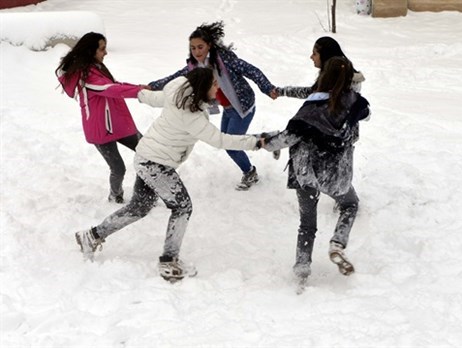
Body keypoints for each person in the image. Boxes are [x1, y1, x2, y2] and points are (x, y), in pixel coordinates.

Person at [74, 67, 264, 282]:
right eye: (214, 83)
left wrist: (141, 93)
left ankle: (91, 236)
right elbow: (220, 140)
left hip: (146, 156)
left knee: (139, 207)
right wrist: (256, 142)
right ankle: (168, 261)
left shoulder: (179, 89)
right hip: (156, 164)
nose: (217, 86)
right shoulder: (192, 116)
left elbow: (154, 97)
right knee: (182, 207)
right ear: (202, 87)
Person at [261, 57, 370, 282]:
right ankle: (337, 244)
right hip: (335, 173)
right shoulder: (355, 103)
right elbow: (367, 113)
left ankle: (302, 268)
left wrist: (266, 142)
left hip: (306, 172)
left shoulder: (311, 108)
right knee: (349, 204)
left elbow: (288, 137)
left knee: (307, 224)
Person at [149, 21, 276, 191]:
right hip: (228, 109)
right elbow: (176, 77)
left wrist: (267, 88)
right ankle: (268, 138)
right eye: (193, 48)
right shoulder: (195, 67)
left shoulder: (225, 60)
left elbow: (251, 70)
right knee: (227, 141)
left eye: (200, 47)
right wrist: (152, 86)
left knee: (230, 145)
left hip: (242, 107)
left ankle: (250, 172)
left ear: (209, 45)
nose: (197, 52)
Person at [56, 32, 145, 204]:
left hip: (119, 123)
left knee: (148, 151)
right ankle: (115, 196)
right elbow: (111, 89)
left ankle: (146, 192)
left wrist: (139, 87)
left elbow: (115, 85)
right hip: (100, 130)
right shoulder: (85, 77)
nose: (106, 53)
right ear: (91, 51)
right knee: (118, 168)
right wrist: (140, 92)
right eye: (102, 49)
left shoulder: (96, 68)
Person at [271, 36, 365, 99]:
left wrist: (282, 92)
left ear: (325, 56)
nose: (311, 57)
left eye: (314, 54)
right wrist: (282, 91)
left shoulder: (338, 82)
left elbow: (313, 94)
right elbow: (313, 92)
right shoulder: (336, 76)